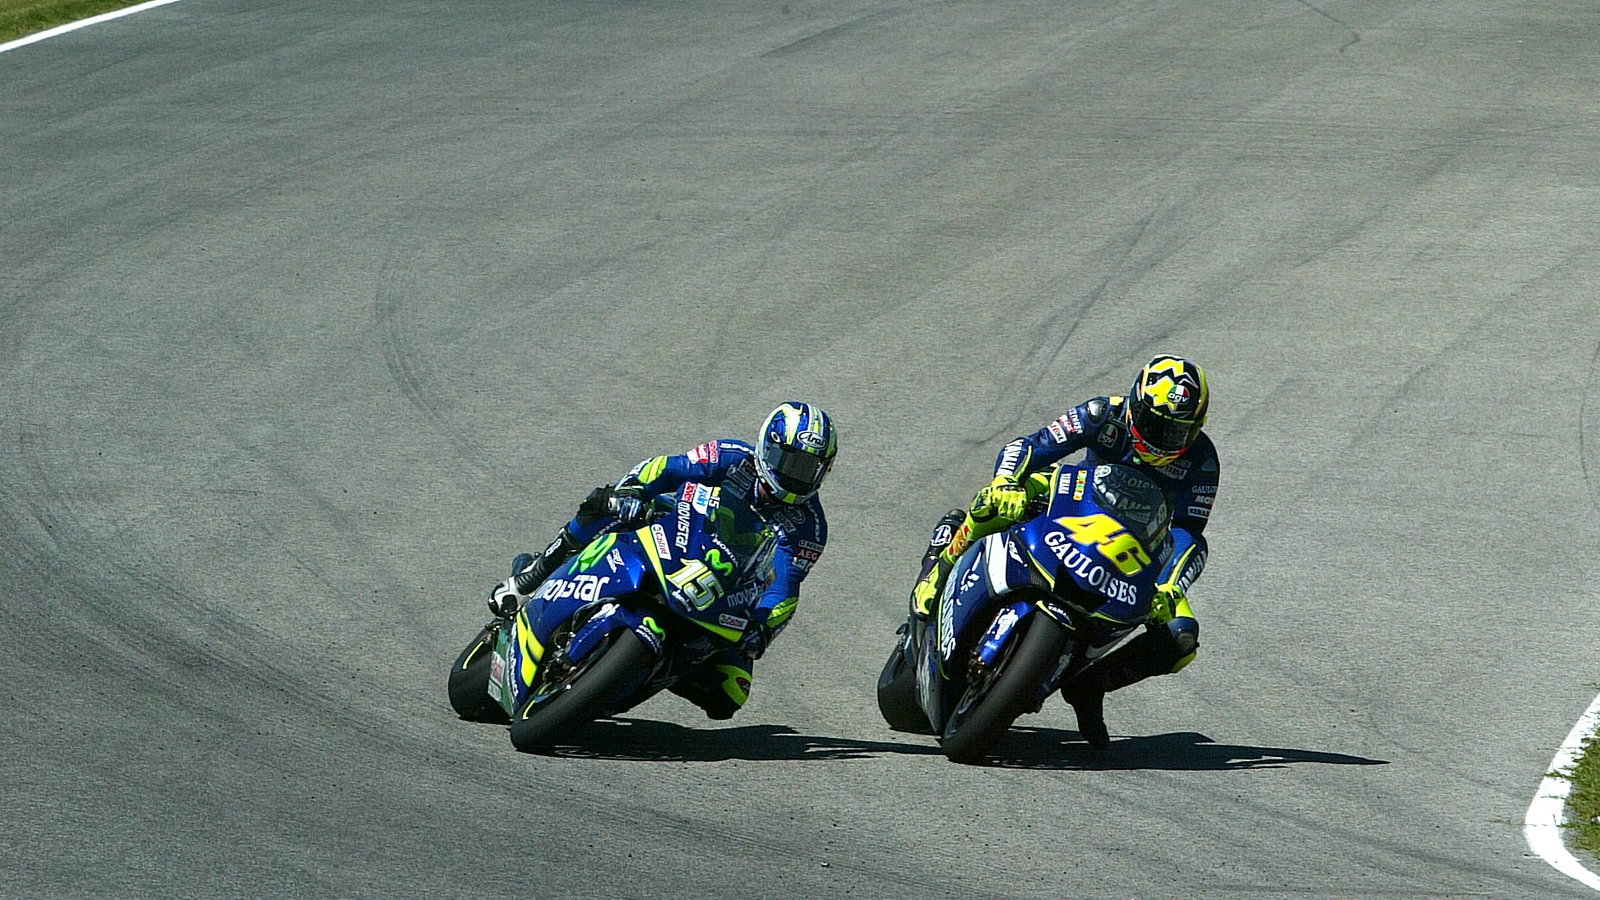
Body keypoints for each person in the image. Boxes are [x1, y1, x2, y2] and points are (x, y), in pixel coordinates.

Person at [908, 354, 1218, 750]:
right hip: (1072, 503)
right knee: (994, 503)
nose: (1164, 439)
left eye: (1178, 432)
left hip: (1133, 548)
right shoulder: (1102, 414)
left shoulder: (1202, 461)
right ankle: (940, 569)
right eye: (1156, 424)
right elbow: (1032, 445)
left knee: (1181, 637)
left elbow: (1189, 534)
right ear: (1136, 405)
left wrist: (1171, 586)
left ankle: (1089, 683)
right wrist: (1006, 482)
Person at [486, 402, 838, 721]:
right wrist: (634, 490)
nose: (798, 475)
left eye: (810, 468)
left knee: (730, 693)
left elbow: (785, 586)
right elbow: (667, 469)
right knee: (604, 507)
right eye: (791, 462)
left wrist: (762, 630)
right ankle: (532, 576)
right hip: (674, 535)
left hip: (722, 592)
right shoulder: (732, 456)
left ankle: (629, 674)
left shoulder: (810, 526)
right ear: (768, 448)